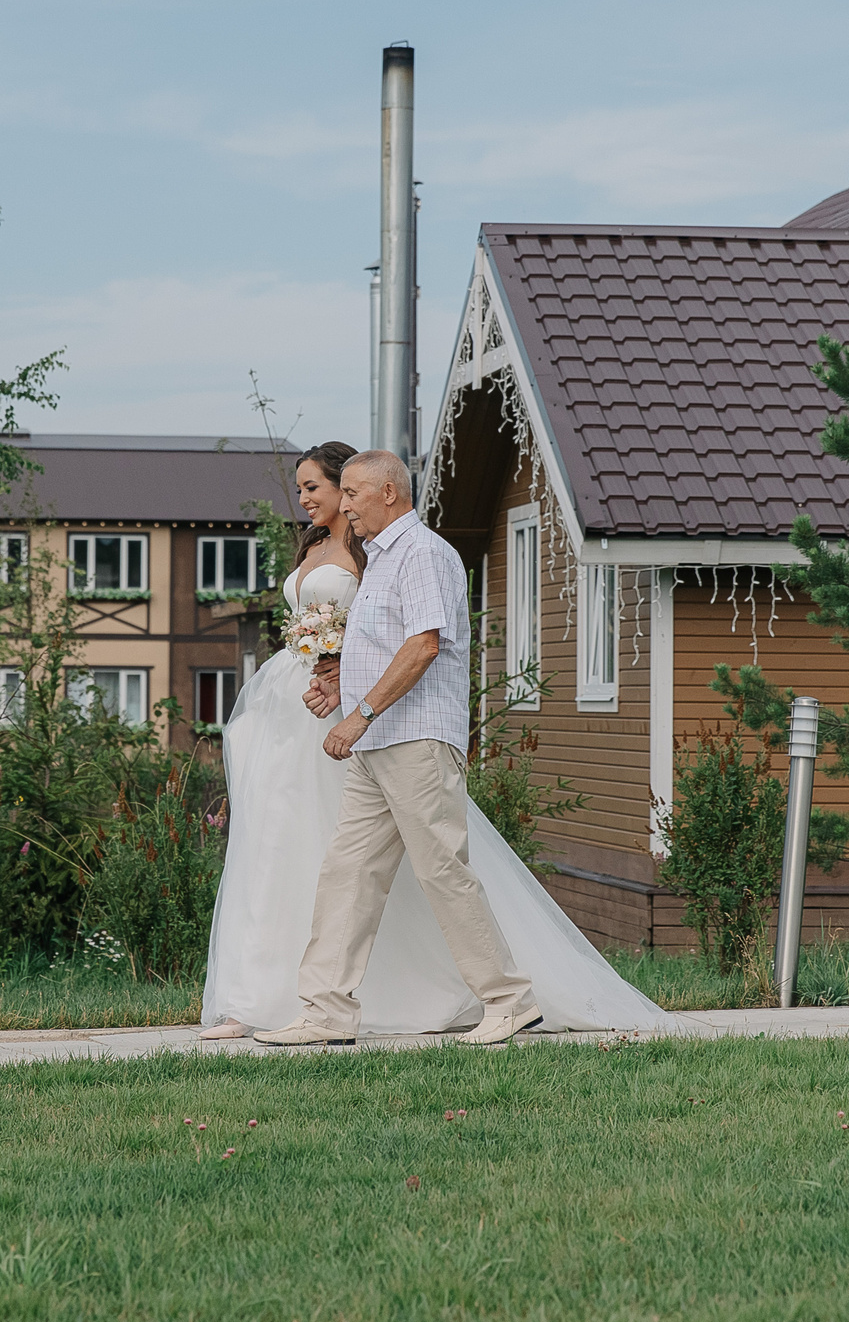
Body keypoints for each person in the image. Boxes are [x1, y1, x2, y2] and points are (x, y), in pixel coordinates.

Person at [200, 444, 669, 1043]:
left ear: (388, 493)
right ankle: (326, 1011)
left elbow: (423, 646)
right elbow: (379, 646)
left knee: (443, 871)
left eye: (352, 494)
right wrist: (347, 685)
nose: (344, 505)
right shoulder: (379, 558)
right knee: (348, 875)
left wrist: (358, 714)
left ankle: (509, 1000)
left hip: (415, 740)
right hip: (378, 746)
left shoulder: (423, 554)